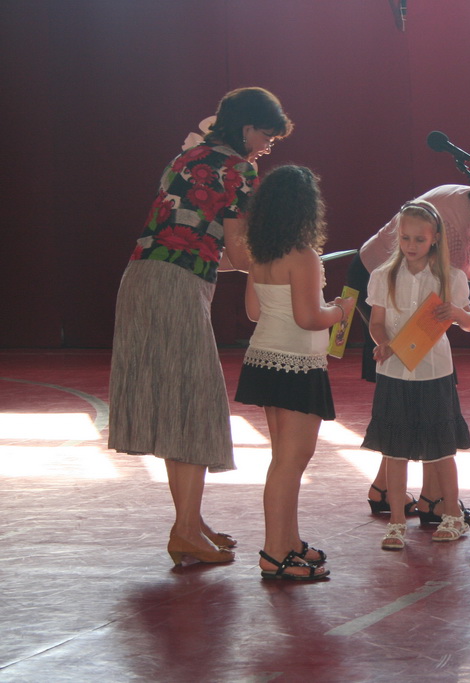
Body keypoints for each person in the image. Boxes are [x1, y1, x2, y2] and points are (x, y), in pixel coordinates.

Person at [107, 87, 292, 566]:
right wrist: (288, 260)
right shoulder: (238, 168)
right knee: (194, 402)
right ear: (247, 128)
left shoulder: (188, 156)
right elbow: (241, 254)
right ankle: (185, 529)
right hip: (176, 287)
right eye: (267, 136)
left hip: (143, 279)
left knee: (179, 401)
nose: (267, 147)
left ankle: (191, 520)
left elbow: (207, 246)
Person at [346, 162, 470, 525]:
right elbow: (440, 302)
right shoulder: (451, 220)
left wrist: (465, 296)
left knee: (418, 387)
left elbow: (449, 276)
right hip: (386, 285)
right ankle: (434, 499)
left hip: (416, 289)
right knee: (423, 389)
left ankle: (385, 489)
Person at [234, 165, 353, 581]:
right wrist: (339, 310)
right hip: (296, 364)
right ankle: (274, 553)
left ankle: (289, 541)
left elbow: (254, 312)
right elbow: (308, 318)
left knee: (283, 459)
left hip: (264, 359)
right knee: (291, 461)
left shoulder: (260, 255)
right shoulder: (304, 256)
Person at [361, 200, 470, 549]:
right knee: (394, 450)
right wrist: (382, 343)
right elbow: (377, 323)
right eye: (405, 238)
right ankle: (396, 521)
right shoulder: (383, 276)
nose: (411, 246)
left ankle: (453, 515)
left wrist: (456, 312)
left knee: (441, 448)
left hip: (434, 373)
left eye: (419, 239)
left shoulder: (451, 278)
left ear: (435, 238)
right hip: (394, 373)